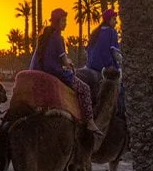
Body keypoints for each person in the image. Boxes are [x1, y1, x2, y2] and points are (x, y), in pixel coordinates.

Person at [30, 8, 104, 137]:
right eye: (63, 21)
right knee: (85, 89)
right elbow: (64, 61)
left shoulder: (44, 37)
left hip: (44, 72)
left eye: (65, 21)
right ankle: (90, 121)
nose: (65, 24)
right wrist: (70, 65)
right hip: (57, 74)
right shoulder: (58, 38)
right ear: (57, 22)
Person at [86, 8, 124, 115]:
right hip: (106, 69)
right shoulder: (111, 32)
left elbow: (88, 52)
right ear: (108, 20)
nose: (116, 21)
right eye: (114, 19)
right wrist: (125, 63)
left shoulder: (95, 33)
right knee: (122, 88)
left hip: (90, 67)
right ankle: (121, 114)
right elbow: (115, 54)